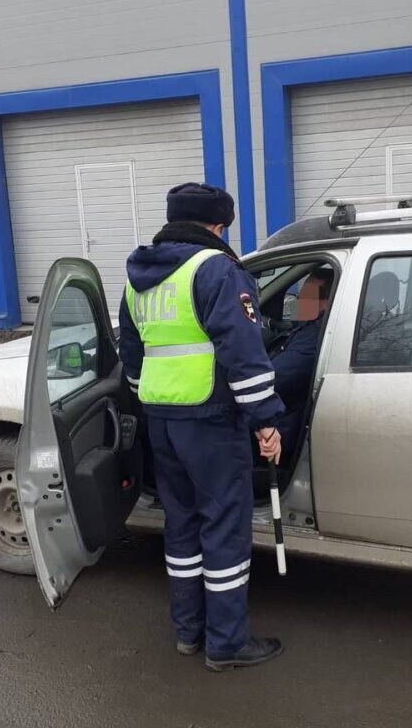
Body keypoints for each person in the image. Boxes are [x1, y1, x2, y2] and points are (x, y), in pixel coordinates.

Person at [119, 182, 286, 672]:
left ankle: (188, 633)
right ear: (215, 226)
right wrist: (266, 422)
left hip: (162, 419)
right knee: (224, 530)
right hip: (211, 421)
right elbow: (244, 352)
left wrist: (147, 397)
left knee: (183, 526)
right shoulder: (214, 269)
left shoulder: (138, 278)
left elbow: (133, 356)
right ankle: (227, 644)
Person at [270, 268, 334, 456]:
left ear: (326, 303)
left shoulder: (314, 337)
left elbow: (276, 378)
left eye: (307, 297)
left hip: (283, 428)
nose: (299, 302)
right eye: (300, 296)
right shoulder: (306, 327)